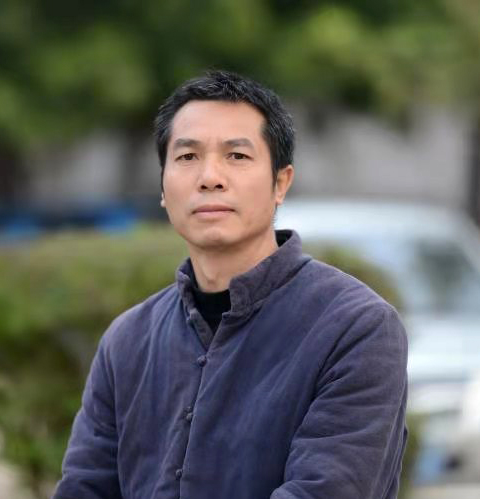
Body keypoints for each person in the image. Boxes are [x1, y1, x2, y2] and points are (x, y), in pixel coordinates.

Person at [53, 70, 408, 499]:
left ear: (280, 183)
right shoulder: (127, 341)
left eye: (237, 156)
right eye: (187, 156)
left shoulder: (356, 329)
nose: (210, 177)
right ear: (163, 186)